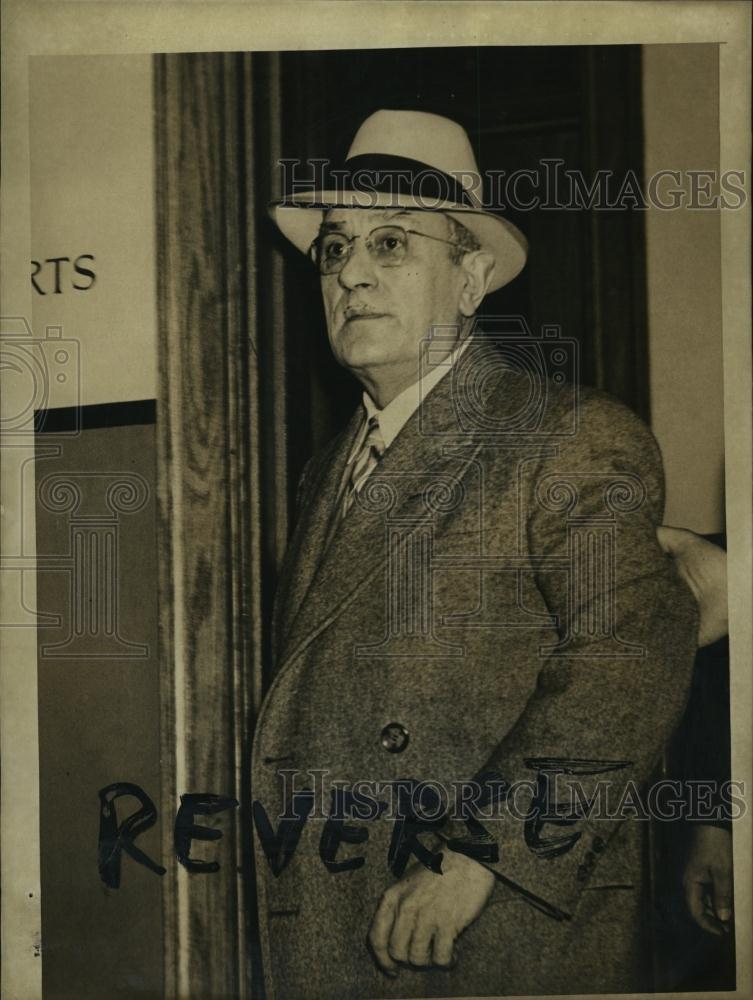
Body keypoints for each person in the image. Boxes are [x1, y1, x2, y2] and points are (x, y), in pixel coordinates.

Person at [250, 109, 701, 999]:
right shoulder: (325, 472)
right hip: (345, 921)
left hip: (489, 934)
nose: (350, 275)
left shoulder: (564, 436)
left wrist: (475, 857)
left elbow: (629, 657)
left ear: (471, 278)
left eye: (390, 244)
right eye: (333, 250)